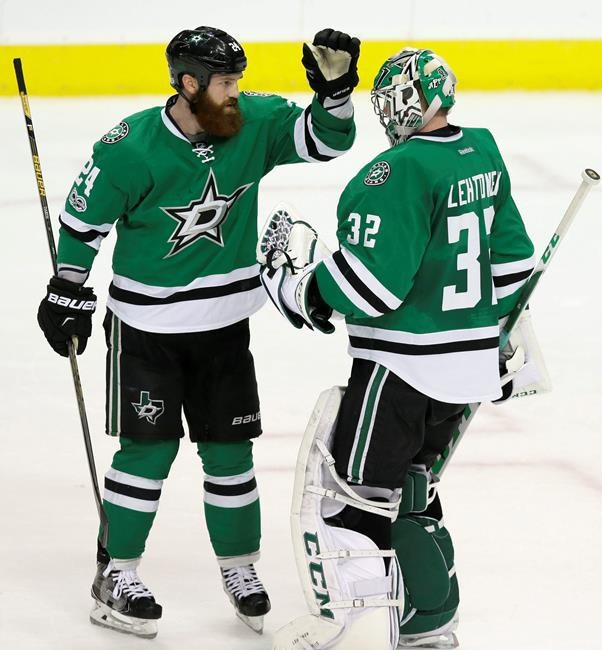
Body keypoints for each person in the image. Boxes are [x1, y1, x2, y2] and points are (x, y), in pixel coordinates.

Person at [36, 25, 360, 639]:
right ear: (188, 83)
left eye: (238, 81)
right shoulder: (130, 147)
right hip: (146, 330)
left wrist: (336, 94)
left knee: (231, 452)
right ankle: (117, 574)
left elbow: (325, 141)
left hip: (224, 328)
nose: (236, 92)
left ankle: (240, 568)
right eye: (224, 83)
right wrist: (67, 288)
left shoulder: (252, 123)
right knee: (148, 452)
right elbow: (82, 223)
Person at [259, 47, 537, 649]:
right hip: (467, 373)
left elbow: (373, 286)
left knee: (354, 497)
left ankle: (361, 628)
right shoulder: (481, 150)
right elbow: (514, 264)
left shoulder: (396, 171)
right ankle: (429, 620)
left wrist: (302, 290)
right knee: (414, 490)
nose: (388, 111)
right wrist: (504, 338)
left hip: (401, 369)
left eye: (394, 99)